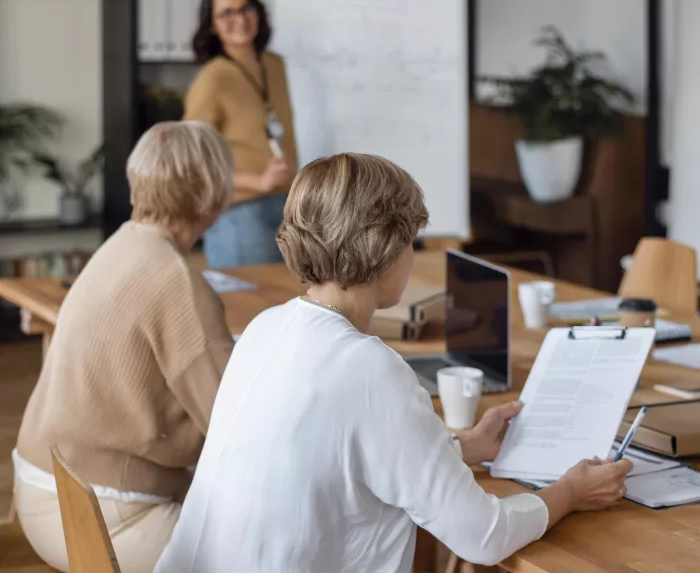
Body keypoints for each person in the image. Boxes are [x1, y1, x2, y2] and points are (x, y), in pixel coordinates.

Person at [156, 152, 633, 573]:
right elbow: (483, 536)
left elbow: (340, 449)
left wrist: (462, 445)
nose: (411, 252)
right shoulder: (369, 366)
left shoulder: (266, 327)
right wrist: (570, 492)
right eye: (410, 239)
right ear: (383, 247)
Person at [13, 121, 236, 573]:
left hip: (45, 485)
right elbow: (235, 425)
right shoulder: (178, 283)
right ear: (212, 193)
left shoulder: (121, 244)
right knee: (280, 545)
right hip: (105, 515)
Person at [185, 0, 298, 269]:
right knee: (249, 309)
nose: (240, 19)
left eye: (246, 8)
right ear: (212, 25)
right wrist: (258, 181)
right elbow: (192, 161)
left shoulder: (274, 65)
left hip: (287, 209)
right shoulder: (214, 77)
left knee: (283, 308)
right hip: (240, 214)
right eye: (227, 13)